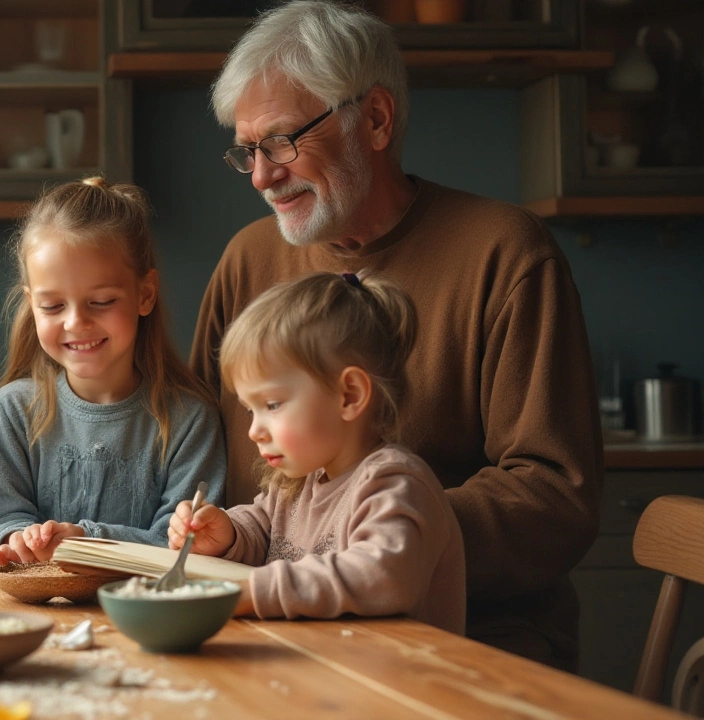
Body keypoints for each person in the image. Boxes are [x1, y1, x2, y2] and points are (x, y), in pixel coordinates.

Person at [191, 0, 601, 669]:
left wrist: (385, 542)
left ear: (375, 119)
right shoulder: (248, 258)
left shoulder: (505, 253)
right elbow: (191, 448)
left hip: (464, 644)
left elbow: (555, 495)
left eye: (282, 142)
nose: (262, 176)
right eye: (247, 152)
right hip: (270, 628)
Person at [171, 272, 465, 634]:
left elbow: (381, 576)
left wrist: (254, 592)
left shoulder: (396, 484)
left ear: (350, 395)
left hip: (390, 684)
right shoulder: (296, 481)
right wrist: (229, 534)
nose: (253, 430)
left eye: (273, 404)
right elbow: (264, 529)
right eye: (251, 410)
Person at [0, 177, 228, 567]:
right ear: (31, 304)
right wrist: (19, 541)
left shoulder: (190, 419)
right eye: (52, 307)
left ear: (145, 294)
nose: (76, 322)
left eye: (100, 301)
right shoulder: (13, 411)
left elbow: (188, 546)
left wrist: (86, 542)